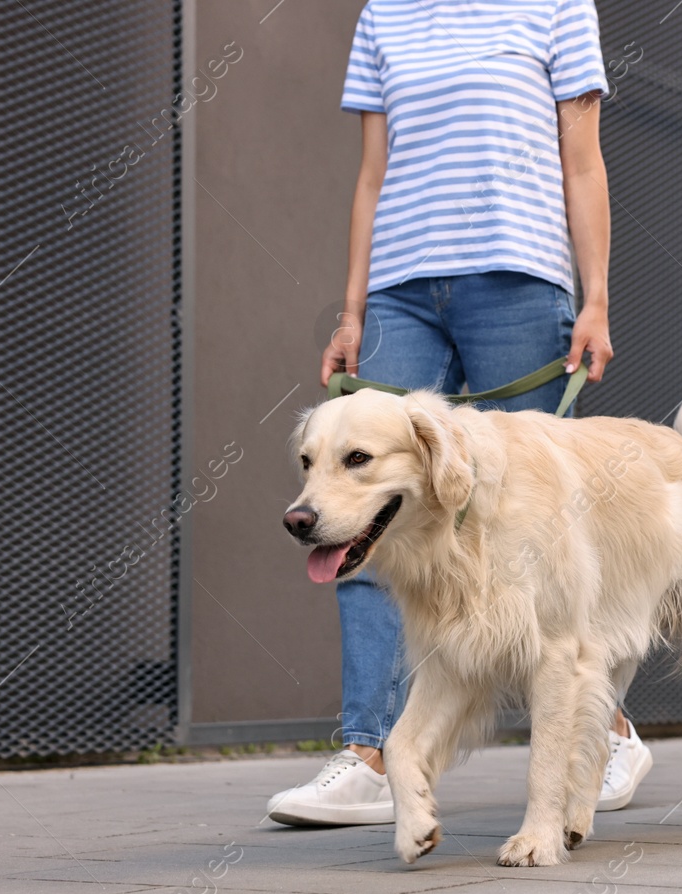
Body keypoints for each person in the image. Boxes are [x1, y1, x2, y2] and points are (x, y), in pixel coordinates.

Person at [268, 0, 655, 827]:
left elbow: (582, 162)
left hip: (518, 280)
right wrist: (352, 311)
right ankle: (370, 751)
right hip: (402, 291)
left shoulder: (558, 6)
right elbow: (373, 176)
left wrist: (596, 298)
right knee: (364, 515)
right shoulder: (385, 15)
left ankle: (608, 729)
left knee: (534, 533)